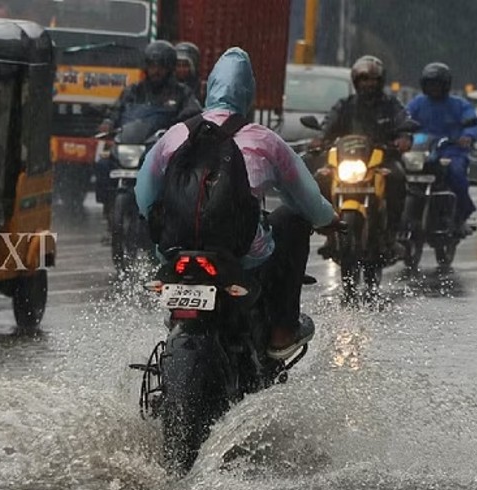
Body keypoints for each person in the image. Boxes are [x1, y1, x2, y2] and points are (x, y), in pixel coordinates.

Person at [135, 47, 340, 360]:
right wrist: (327, 219)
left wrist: (160, 239)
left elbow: (144, 193)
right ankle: (282, 330)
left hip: (175, 249)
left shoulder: (175, 134)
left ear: (210, 88)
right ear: (249, 93)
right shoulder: (263, 139)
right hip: (241, 253)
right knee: (295, 220)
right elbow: (304, 197)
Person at [310, 55, 414, 257]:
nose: (369, 84)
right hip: (348, 160)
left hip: (383, 159)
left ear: (380, 81)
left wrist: (404, 138)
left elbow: (404, 122)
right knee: (320, 177)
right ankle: (328, 230)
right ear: (356, 82)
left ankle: (392, 234)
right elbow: (328, 125)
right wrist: (320, 139)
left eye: (373, 79)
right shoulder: (345, 105)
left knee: (397, 177)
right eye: (364, 79)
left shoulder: (391, 105)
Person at [95, 41, 202, 217]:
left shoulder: (181, 92)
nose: (156, 71)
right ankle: (108, 208)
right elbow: (117, 110)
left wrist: (181, 125)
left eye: (161, 66)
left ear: (169, 68)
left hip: (161, 148)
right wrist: (108, 122)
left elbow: (193, 112)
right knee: (103, 164)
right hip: (134, 145)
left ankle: (173, 214)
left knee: (178, 171)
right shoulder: (134, 91)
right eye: (152, 66)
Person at [403, 62, 477, 237]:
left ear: (446, 85)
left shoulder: (459, 105)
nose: (434, 88)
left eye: (437, 84)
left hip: (451, 152)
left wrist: (467, 136)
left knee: (457, 174)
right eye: (430, 84)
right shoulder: (417, 103)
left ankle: (461, 216)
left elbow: (472, 124)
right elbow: (403, 120)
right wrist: (401, 135)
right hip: (421, 153)